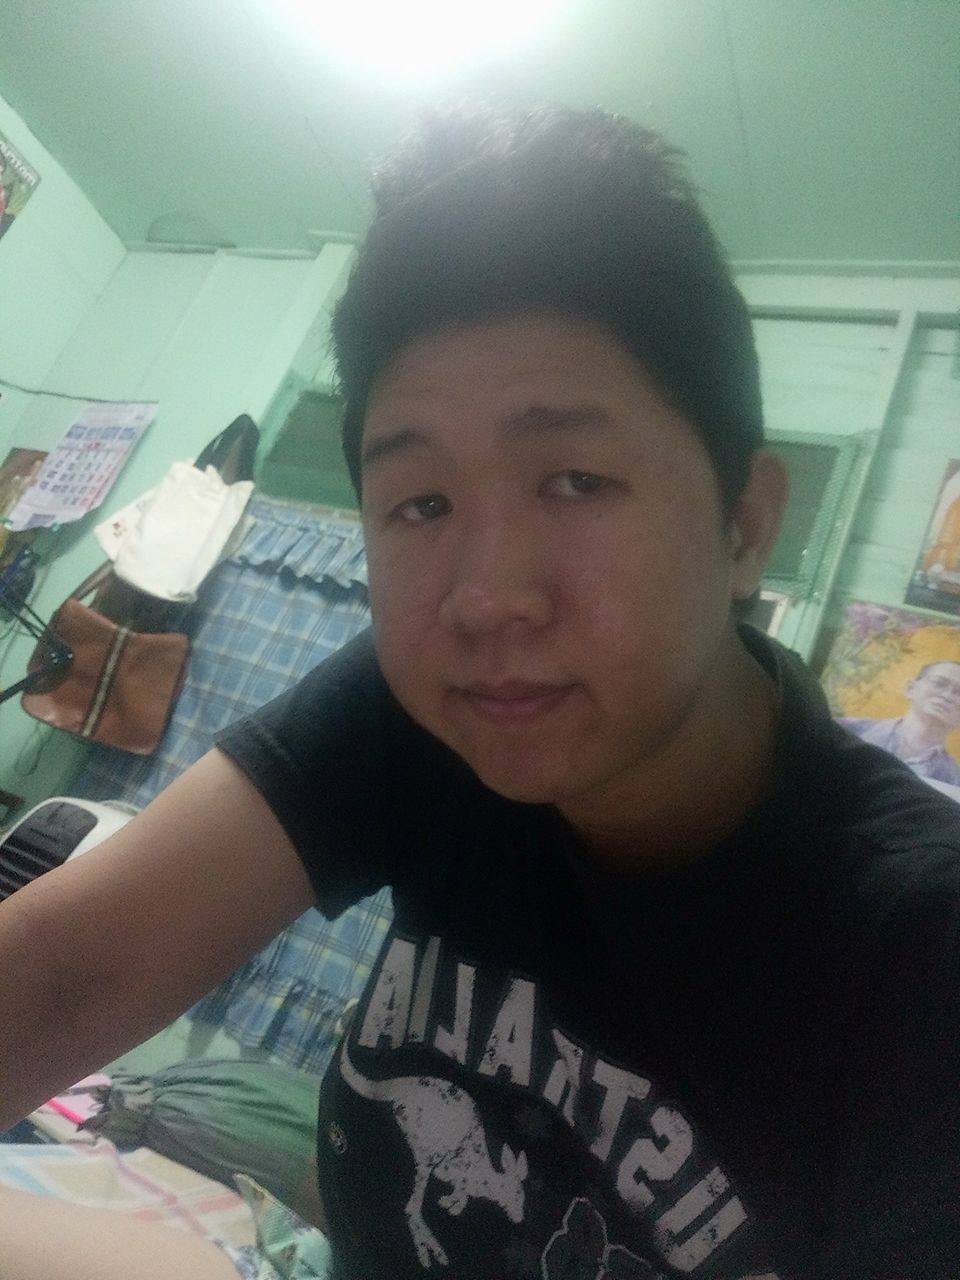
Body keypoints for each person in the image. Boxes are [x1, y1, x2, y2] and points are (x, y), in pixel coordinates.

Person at [1, 105, 959, 1280]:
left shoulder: (917, 950)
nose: (486, 597)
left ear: (745, 525)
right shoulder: (428, 711)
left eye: (576, 479)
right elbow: (66, 972)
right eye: (421, 502)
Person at [838, 659, 960, 787]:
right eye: (939, 683)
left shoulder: (955, 783)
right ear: (910, 689)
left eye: (959, 692)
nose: (947, 696)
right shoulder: (845, 730)